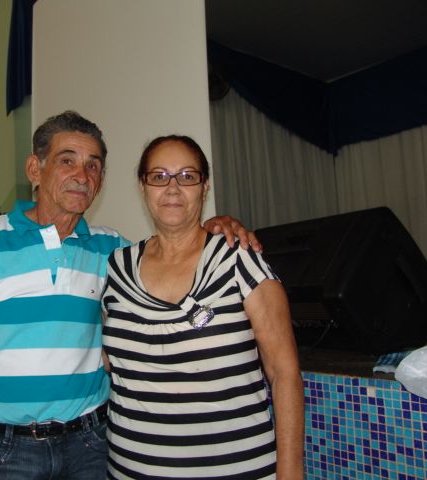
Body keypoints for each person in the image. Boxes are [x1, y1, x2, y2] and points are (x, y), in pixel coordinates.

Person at [0, 111, 262, 480]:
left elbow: (172, 253)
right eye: (67, 161)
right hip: (3, 452)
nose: (82, 176)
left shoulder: (112, 251)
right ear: (35, 169)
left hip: (91, 445)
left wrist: (215, 227)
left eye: (93, 166)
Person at [102, 135, 304, 479]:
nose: (173, 187)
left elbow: (284, 374)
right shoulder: (117, 268)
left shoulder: (240, 259)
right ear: (143, 186)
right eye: (159, 176)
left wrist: (291, 473)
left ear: (204, 187)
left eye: (187, 176)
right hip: (130, 469)